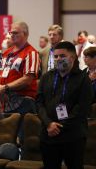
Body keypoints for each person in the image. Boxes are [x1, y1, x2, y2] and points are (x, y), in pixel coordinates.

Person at [37, 41, 94, 169]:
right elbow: (39, 103)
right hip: (48, 135)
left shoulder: (83, 79)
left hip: (73, 136)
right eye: (55, 56)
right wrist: (49, 124)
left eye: (62, 56)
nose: (58, 59)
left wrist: (59, 127)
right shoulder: (46, 77)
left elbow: (82, 108)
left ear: (72, 57)